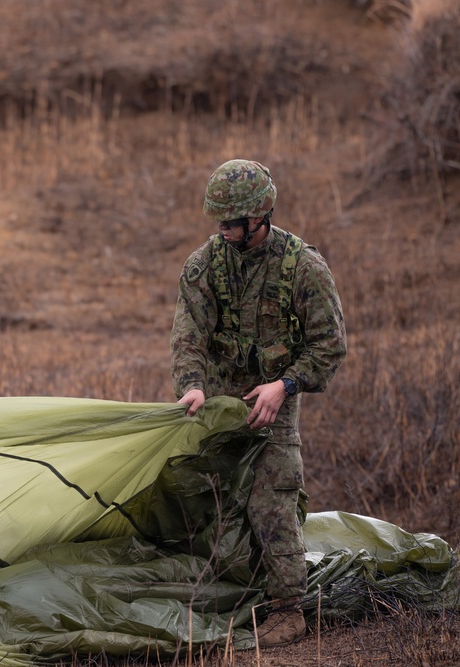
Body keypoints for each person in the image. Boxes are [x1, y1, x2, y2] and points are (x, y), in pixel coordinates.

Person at [170, 159, 347, 647]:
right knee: (205, 500)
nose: (223, 230)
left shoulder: (303, 267)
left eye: (231, 222)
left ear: (259, 216)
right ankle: (226, 595)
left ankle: (289, 610)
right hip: (215, 404)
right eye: (219, 221)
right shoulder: (204, 266)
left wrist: (285, 385)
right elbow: (188, 337)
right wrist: (192, 386)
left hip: (272, 404)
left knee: (272, 498)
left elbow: (329, 345)